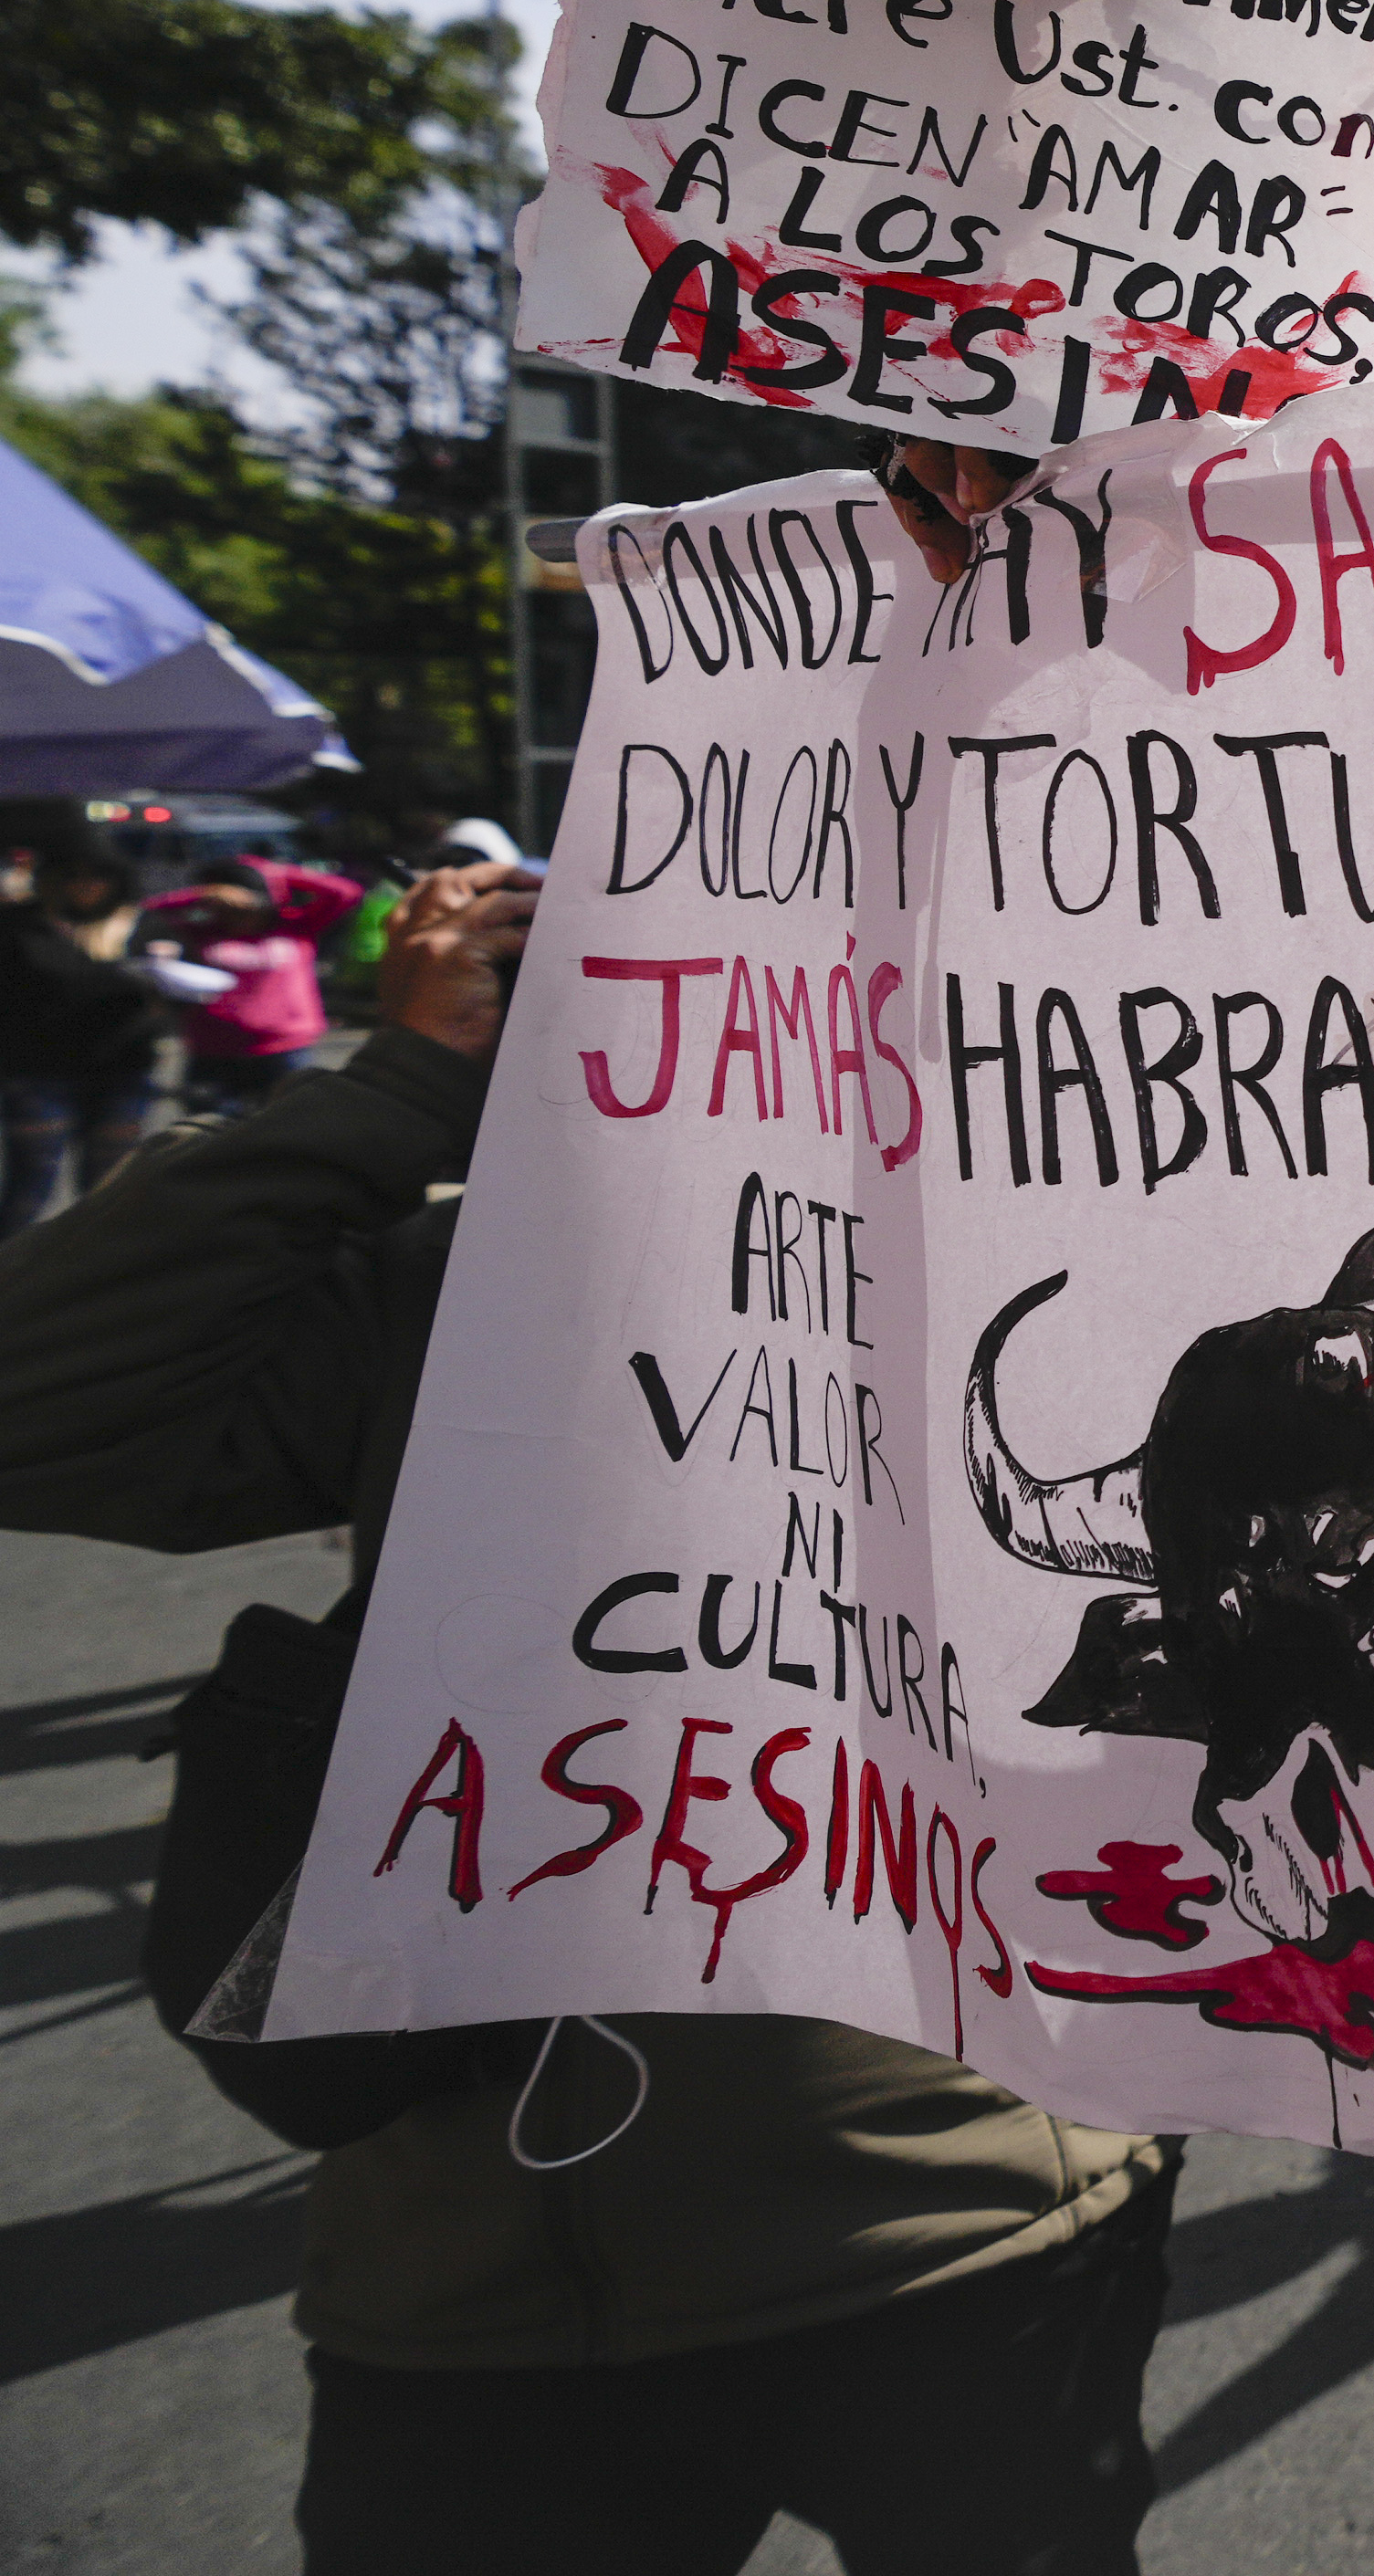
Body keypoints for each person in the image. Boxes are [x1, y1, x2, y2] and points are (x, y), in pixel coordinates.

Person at [0, 863, 1182, 2573]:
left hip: (963, 2222)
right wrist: (406, 1090)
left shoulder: (1057, 1267)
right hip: (473, 2277)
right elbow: (40, 1400)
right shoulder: (463, 1275)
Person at [0, 826, 168, 1226]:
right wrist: (117, 976)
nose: (85, 885)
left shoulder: (141, 926)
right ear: (50, 879)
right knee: (30, 1188)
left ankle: (89, 1281)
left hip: (122, 1073)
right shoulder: (18, 926)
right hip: (39, 1074)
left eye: (98, 875)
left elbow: (185, 986)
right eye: (71, 875)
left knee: (107, 1193)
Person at [136, 850, 365, 1116]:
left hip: (284, 1048)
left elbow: (347, 893)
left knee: (288, 1130)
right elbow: (149, 910)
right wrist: (207, 893)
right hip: (213, 1050)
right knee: (205, 1137)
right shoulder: (201, 932)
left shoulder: (296, 927)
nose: (239, 913)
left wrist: (275, 873)